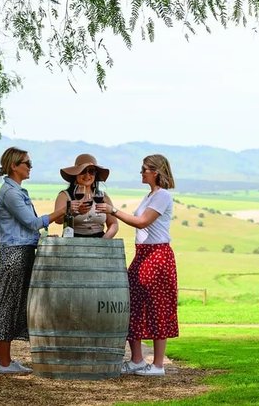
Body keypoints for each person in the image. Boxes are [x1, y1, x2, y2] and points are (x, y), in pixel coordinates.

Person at [0, 146, 67, 374]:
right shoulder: (12, 194)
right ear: (13, 165)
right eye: (27, 163)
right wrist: (64, 210)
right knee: (9, 305)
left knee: (13, 305)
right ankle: (5, 363)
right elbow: (32, 223)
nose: (30, 167)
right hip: (14, 255)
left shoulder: (16, 191)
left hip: (20, 252)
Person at [96, 154, 178, 376]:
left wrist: (113, 211)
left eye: (144, 169)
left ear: (156, 172)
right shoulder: (150, 196)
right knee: (134, 304)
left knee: (157, 306)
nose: (141, 173)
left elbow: (142, 222)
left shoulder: (162, 196)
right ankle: (137, 360)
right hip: (143, 254)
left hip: (158, 255)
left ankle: (158, 365)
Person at [55, 153, 119, 238]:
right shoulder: (65, 195)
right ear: (76, 174)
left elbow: (113, 224)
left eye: (91, 171)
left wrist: (104, 240)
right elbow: (58, 220)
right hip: (72, 241)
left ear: (95, 175)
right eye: (83, 171)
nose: (87, 175)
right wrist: (75, 212)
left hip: (100, 240)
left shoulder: (103, 196)